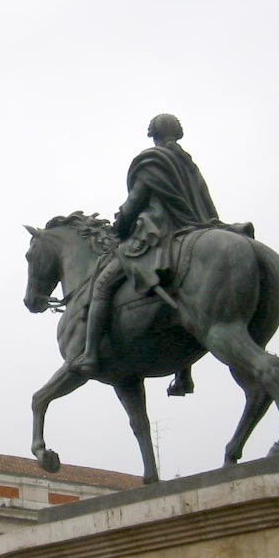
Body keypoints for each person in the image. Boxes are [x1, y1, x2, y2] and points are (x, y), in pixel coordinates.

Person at [70, 114, 221, 387]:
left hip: (158, 233)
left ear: (153, 133)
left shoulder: (152, 161)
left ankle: (89, 354)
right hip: (193, 229)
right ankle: (183, 371)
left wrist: (121, 223)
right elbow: (205, 203)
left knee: (102, 284)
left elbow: (136, 200)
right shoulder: (188, 164)